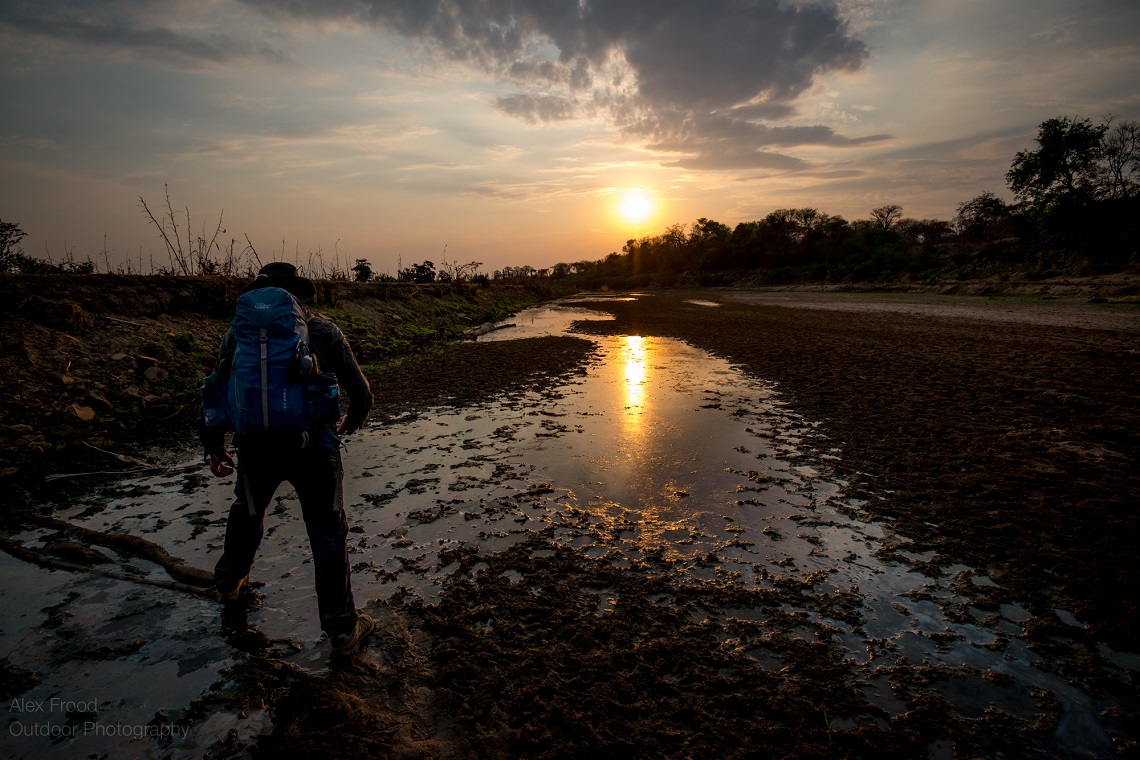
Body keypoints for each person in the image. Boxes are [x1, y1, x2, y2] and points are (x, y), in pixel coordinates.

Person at [200, 262, 375, 656]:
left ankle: (229, 584)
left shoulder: (238, 334)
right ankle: (343, 630)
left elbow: (214, 388)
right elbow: (361, 393)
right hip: (314, 448)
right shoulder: (323, 330)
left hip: (255, 445)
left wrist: (214, 445)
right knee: (327, 532)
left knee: (247, 510)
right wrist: (352, 421)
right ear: (296, 293)